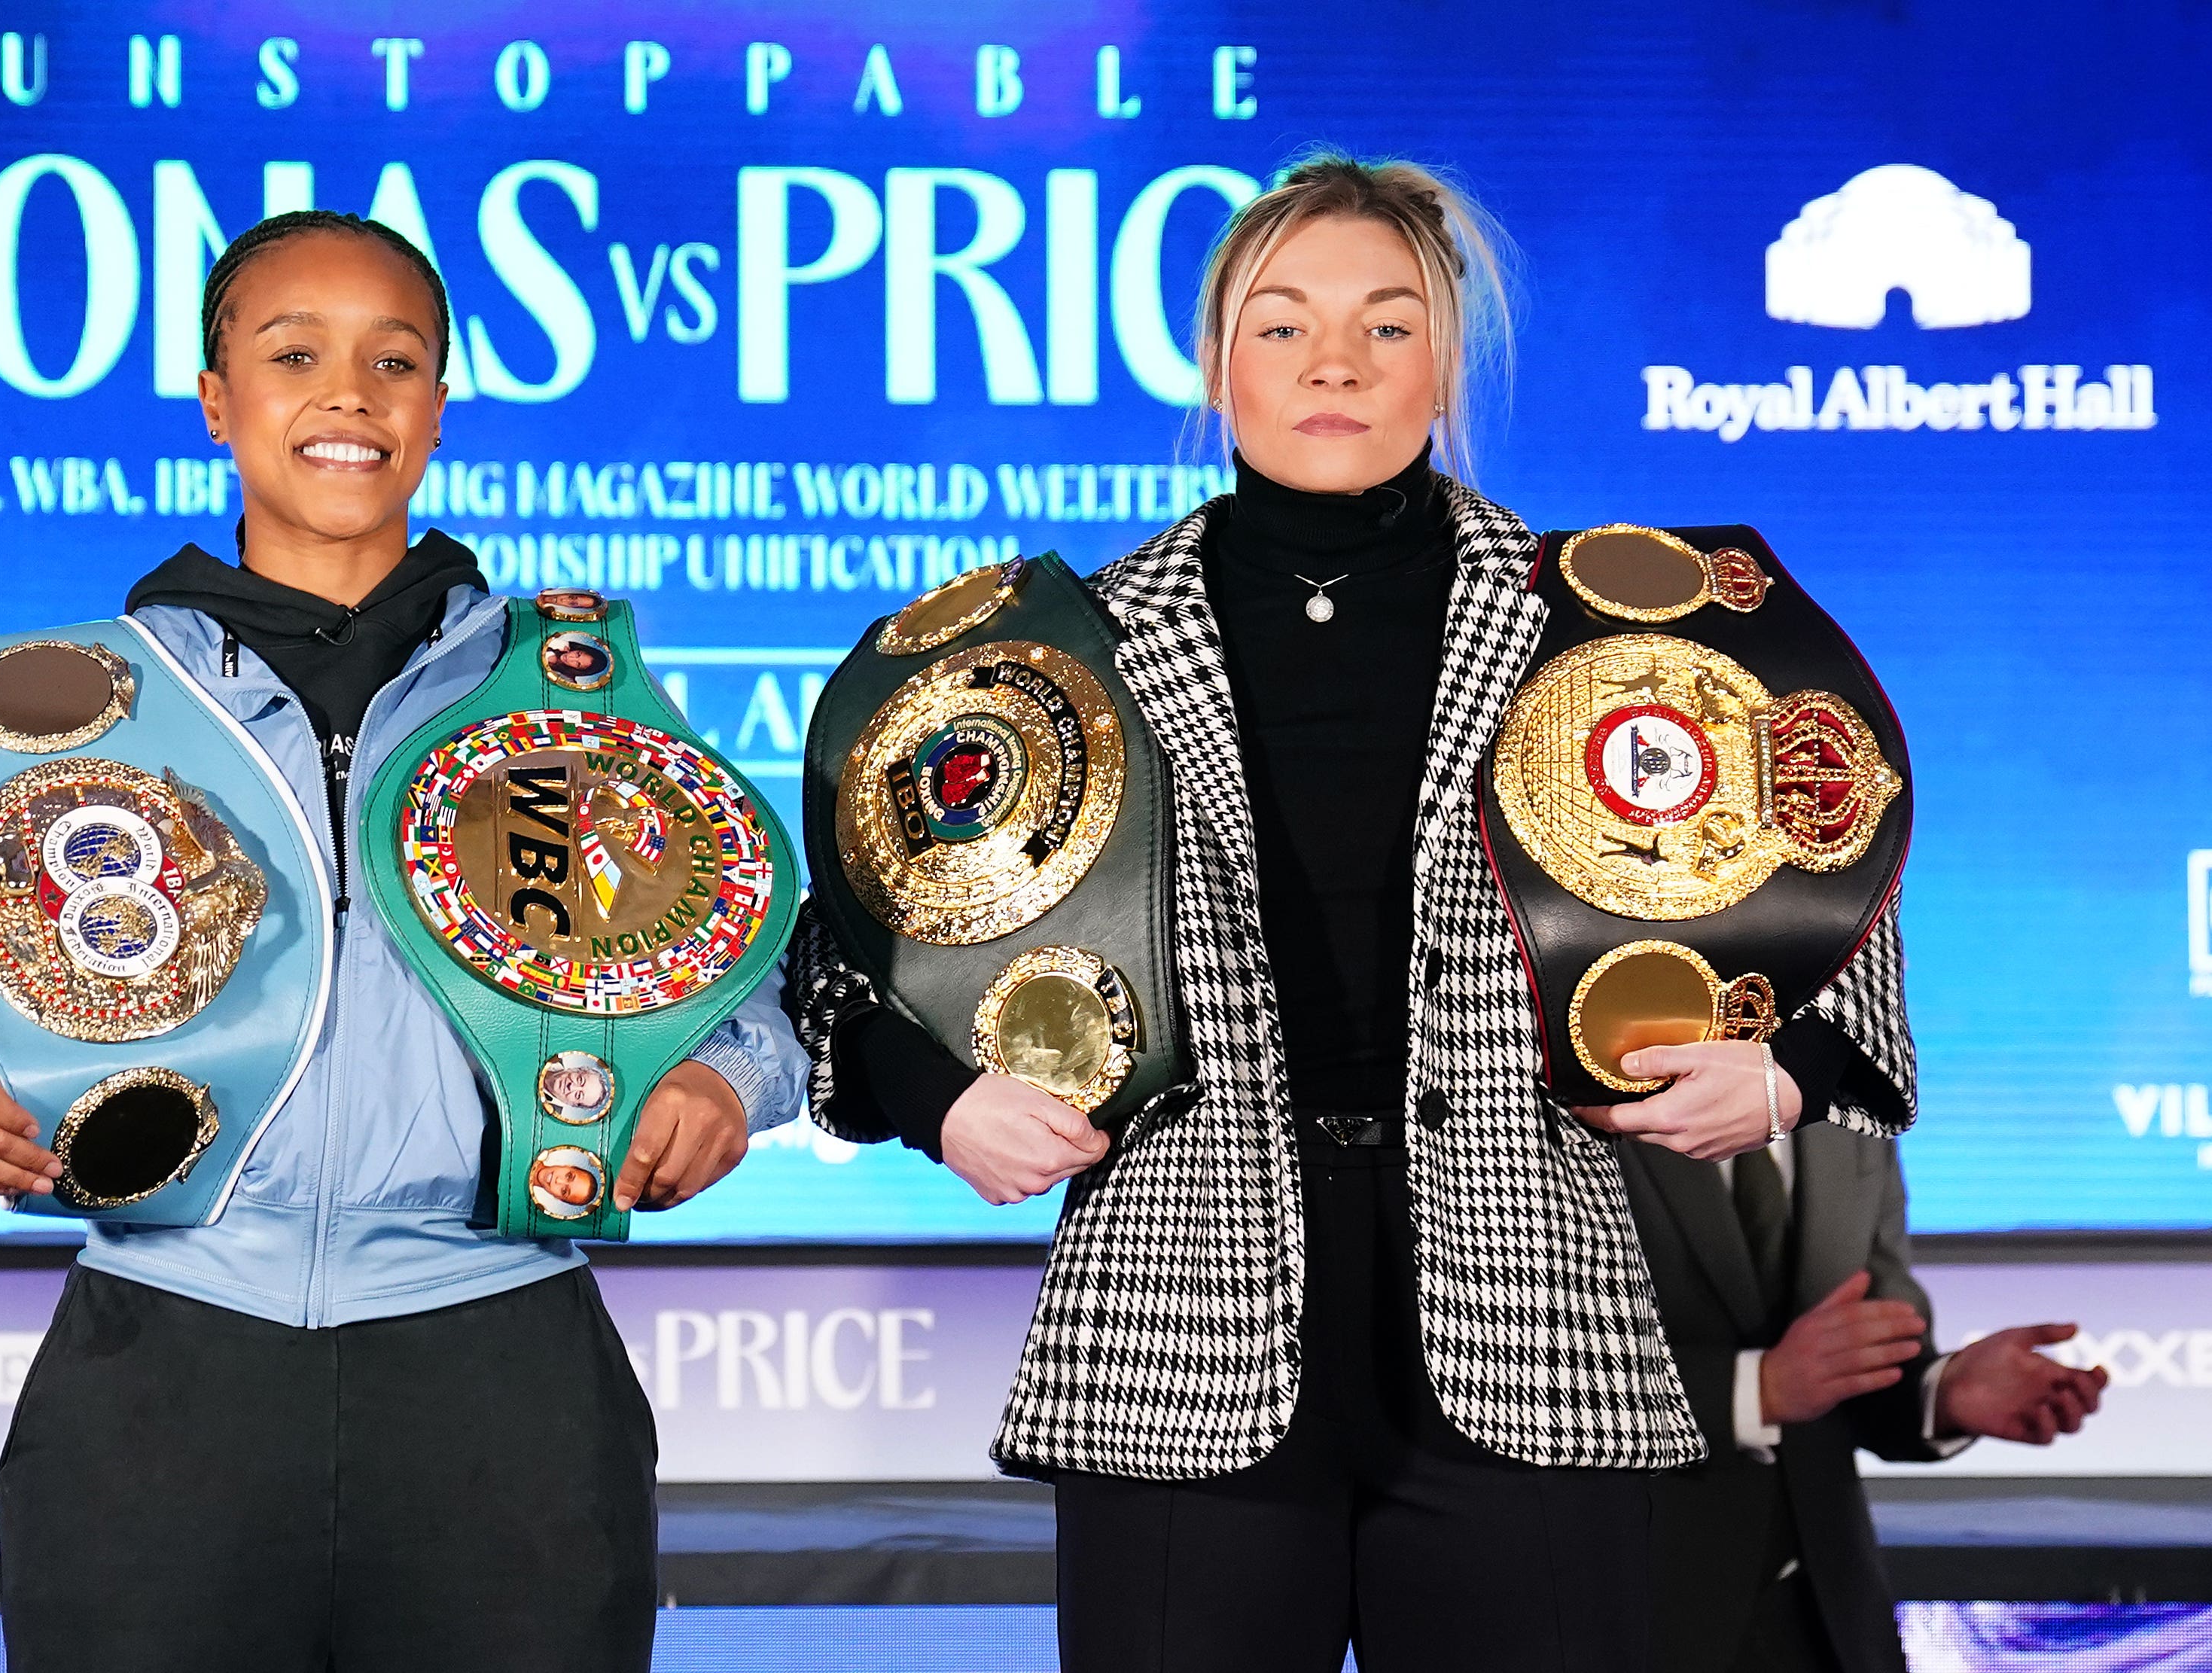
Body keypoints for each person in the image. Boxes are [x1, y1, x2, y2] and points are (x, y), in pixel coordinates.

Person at [787, 152, 1918, 1672]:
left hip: (1538, 1332)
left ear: (1443, 359)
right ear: (1214, 359)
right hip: (1173, 1343)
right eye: (1283, 323)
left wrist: (1778, 1073)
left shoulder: (1613, 619)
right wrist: (947, 1104)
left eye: (1387, 324)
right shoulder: (1058, 647)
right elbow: (843, 969)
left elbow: (1836, 906)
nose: (1335, 360)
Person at [0, 209, 808, 1673]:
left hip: (500, 1372)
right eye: (293, 353)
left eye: (395, 359)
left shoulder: (571, 697)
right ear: (217, 398)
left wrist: (721, 1084)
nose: (347, 391)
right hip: (167, 1367)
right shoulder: (69, 702)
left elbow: (752, 978)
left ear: (439, 407)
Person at [1622, 1126, 2108, 1673]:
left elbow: (1868, 1348)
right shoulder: (1577, 1083)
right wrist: (1756, 1390)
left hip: (1832, 1615)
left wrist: (1941, 1395)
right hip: (1628, 1603)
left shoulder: (1853, 1092)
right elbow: (1525, 1366)